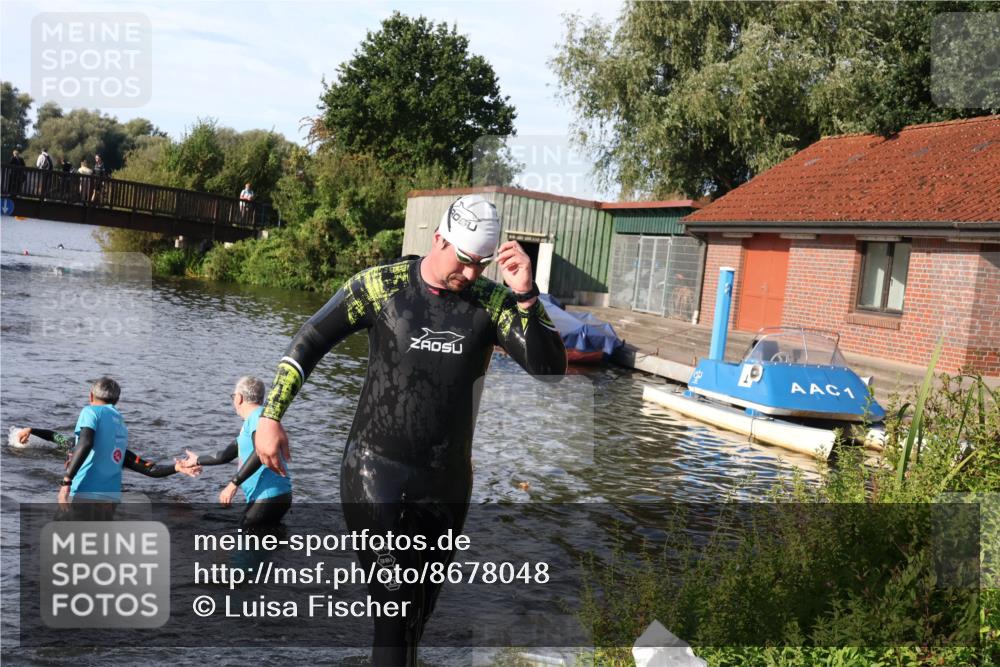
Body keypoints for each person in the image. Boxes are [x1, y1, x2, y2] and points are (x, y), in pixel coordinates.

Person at [254, 194, 566, 666]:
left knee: (417, 614)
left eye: (482, 264)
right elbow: (310, 339)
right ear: (439, 238)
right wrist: (270, 416)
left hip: (446, 484)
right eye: (464, 261)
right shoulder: (383, 286)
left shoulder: (491, 301)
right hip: (374, 472)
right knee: (395, 607)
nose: (472, 274)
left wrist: (526, 294)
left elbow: (550, 370)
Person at [26, 377, 201, 518]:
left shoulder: (90, 412)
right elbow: (149, 469)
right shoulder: (120, 429)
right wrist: (177, 467)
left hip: (83, 495)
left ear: (91, 396)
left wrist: (66, 482)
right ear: (116, 400)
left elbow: (84, 443)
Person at [184, 376, 292, 529]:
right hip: (277, 496)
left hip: (268, 496)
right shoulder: (254, 421)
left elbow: (260, 453)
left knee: (246, 546)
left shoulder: (258, 417)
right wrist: (196, 460)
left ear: (239, 398)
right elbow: (225, 455)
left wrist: (233, 484)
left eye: (233, 396)